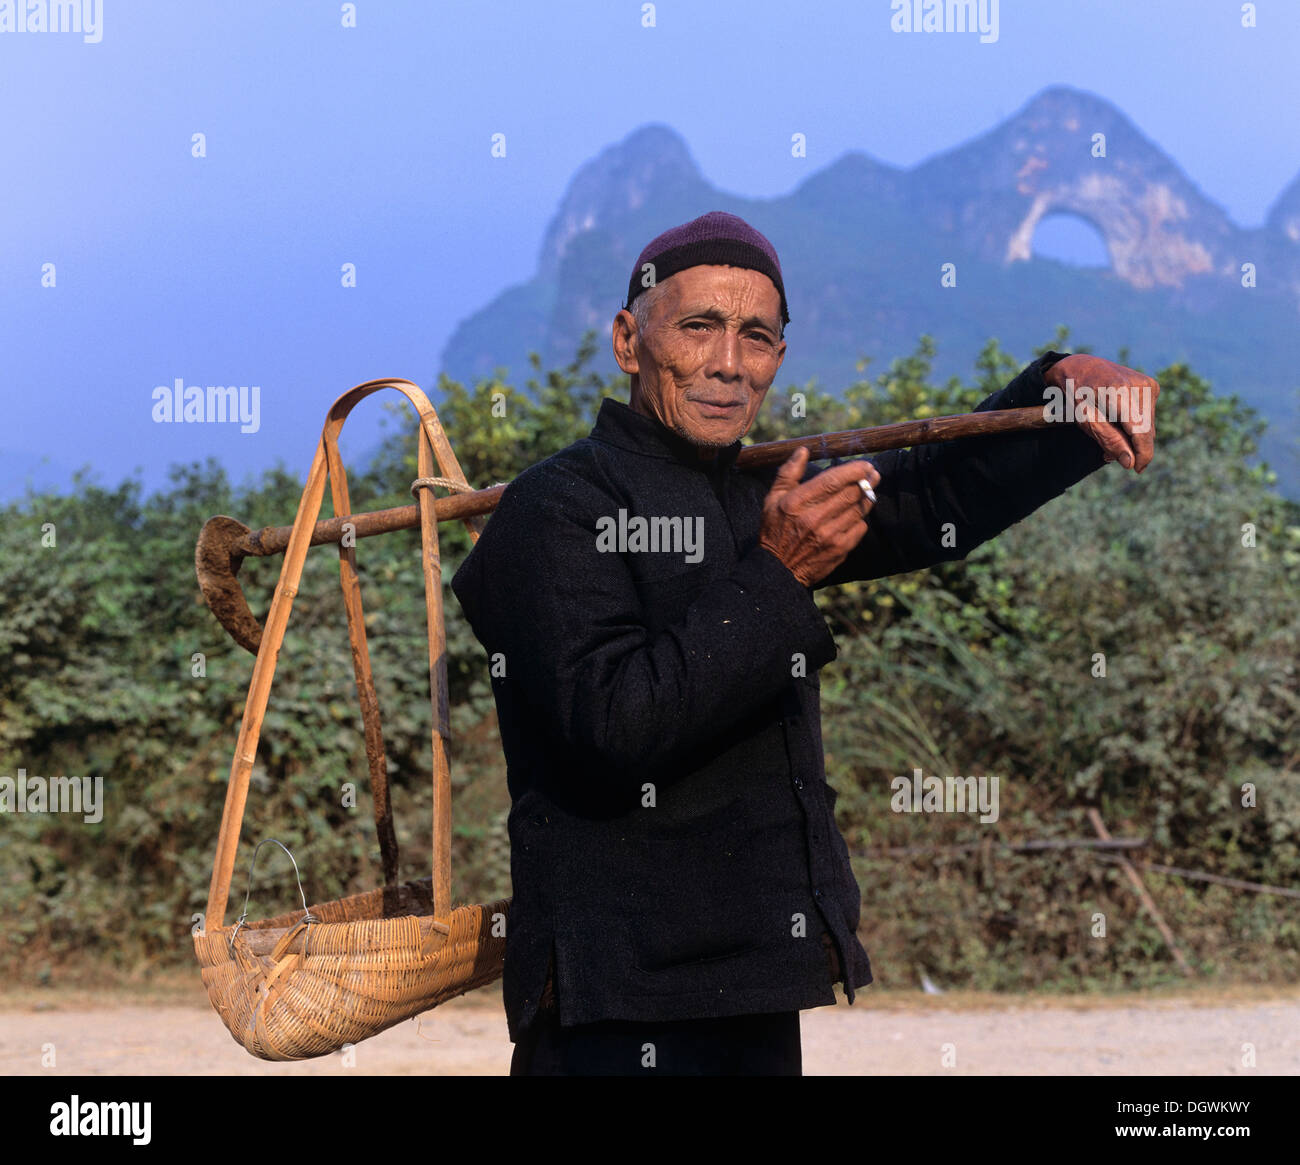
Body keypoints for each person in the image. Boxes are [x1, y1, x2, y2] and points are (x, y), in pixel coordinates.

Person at [450, 210, 1159, 1076]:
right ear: (630, 341)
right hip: (614, 1000)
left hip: (753, 983)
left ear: (779, 357)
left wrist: (1059, 388)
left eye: (756, 336)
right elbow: (611, 725)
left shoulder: (761, 492)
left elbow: (931, 496)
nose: (728, 362)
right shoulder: (555, 509)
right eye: (699, 327)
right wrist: (780, 575)